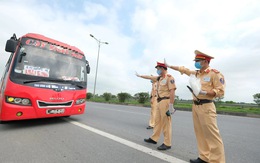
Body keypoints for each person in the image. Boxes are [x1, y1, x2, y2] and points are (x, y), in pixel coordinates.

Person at [165, 50, 225, 163]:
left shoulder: (214, 74)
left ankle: (217, 161)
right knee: (200, 133)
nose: (196, 63)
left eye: (198, 61)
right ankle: (204, 157)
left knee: (212, 135)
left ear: (206, 61)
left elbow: (220, 91)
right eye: (195, 61)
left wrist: (204, 92)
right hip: (196, 106)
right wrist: (170, 66)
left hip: (207, 106)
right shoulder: (196, 73)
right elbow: (183, 69)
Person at [136, 61, 176, 150]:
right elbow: (149, 77)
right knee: (157, 122)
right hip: (159, 101)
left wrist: (171, 105)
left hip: (166, 102)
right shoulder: (159, 78)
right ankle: (154, 138)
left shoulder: (170, 78)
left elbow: (172, 91)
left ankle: (167, 143)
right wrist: (140, 76)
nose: (157, 71)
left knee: (166, 123)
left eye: (158, 69)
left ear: (163, 69)